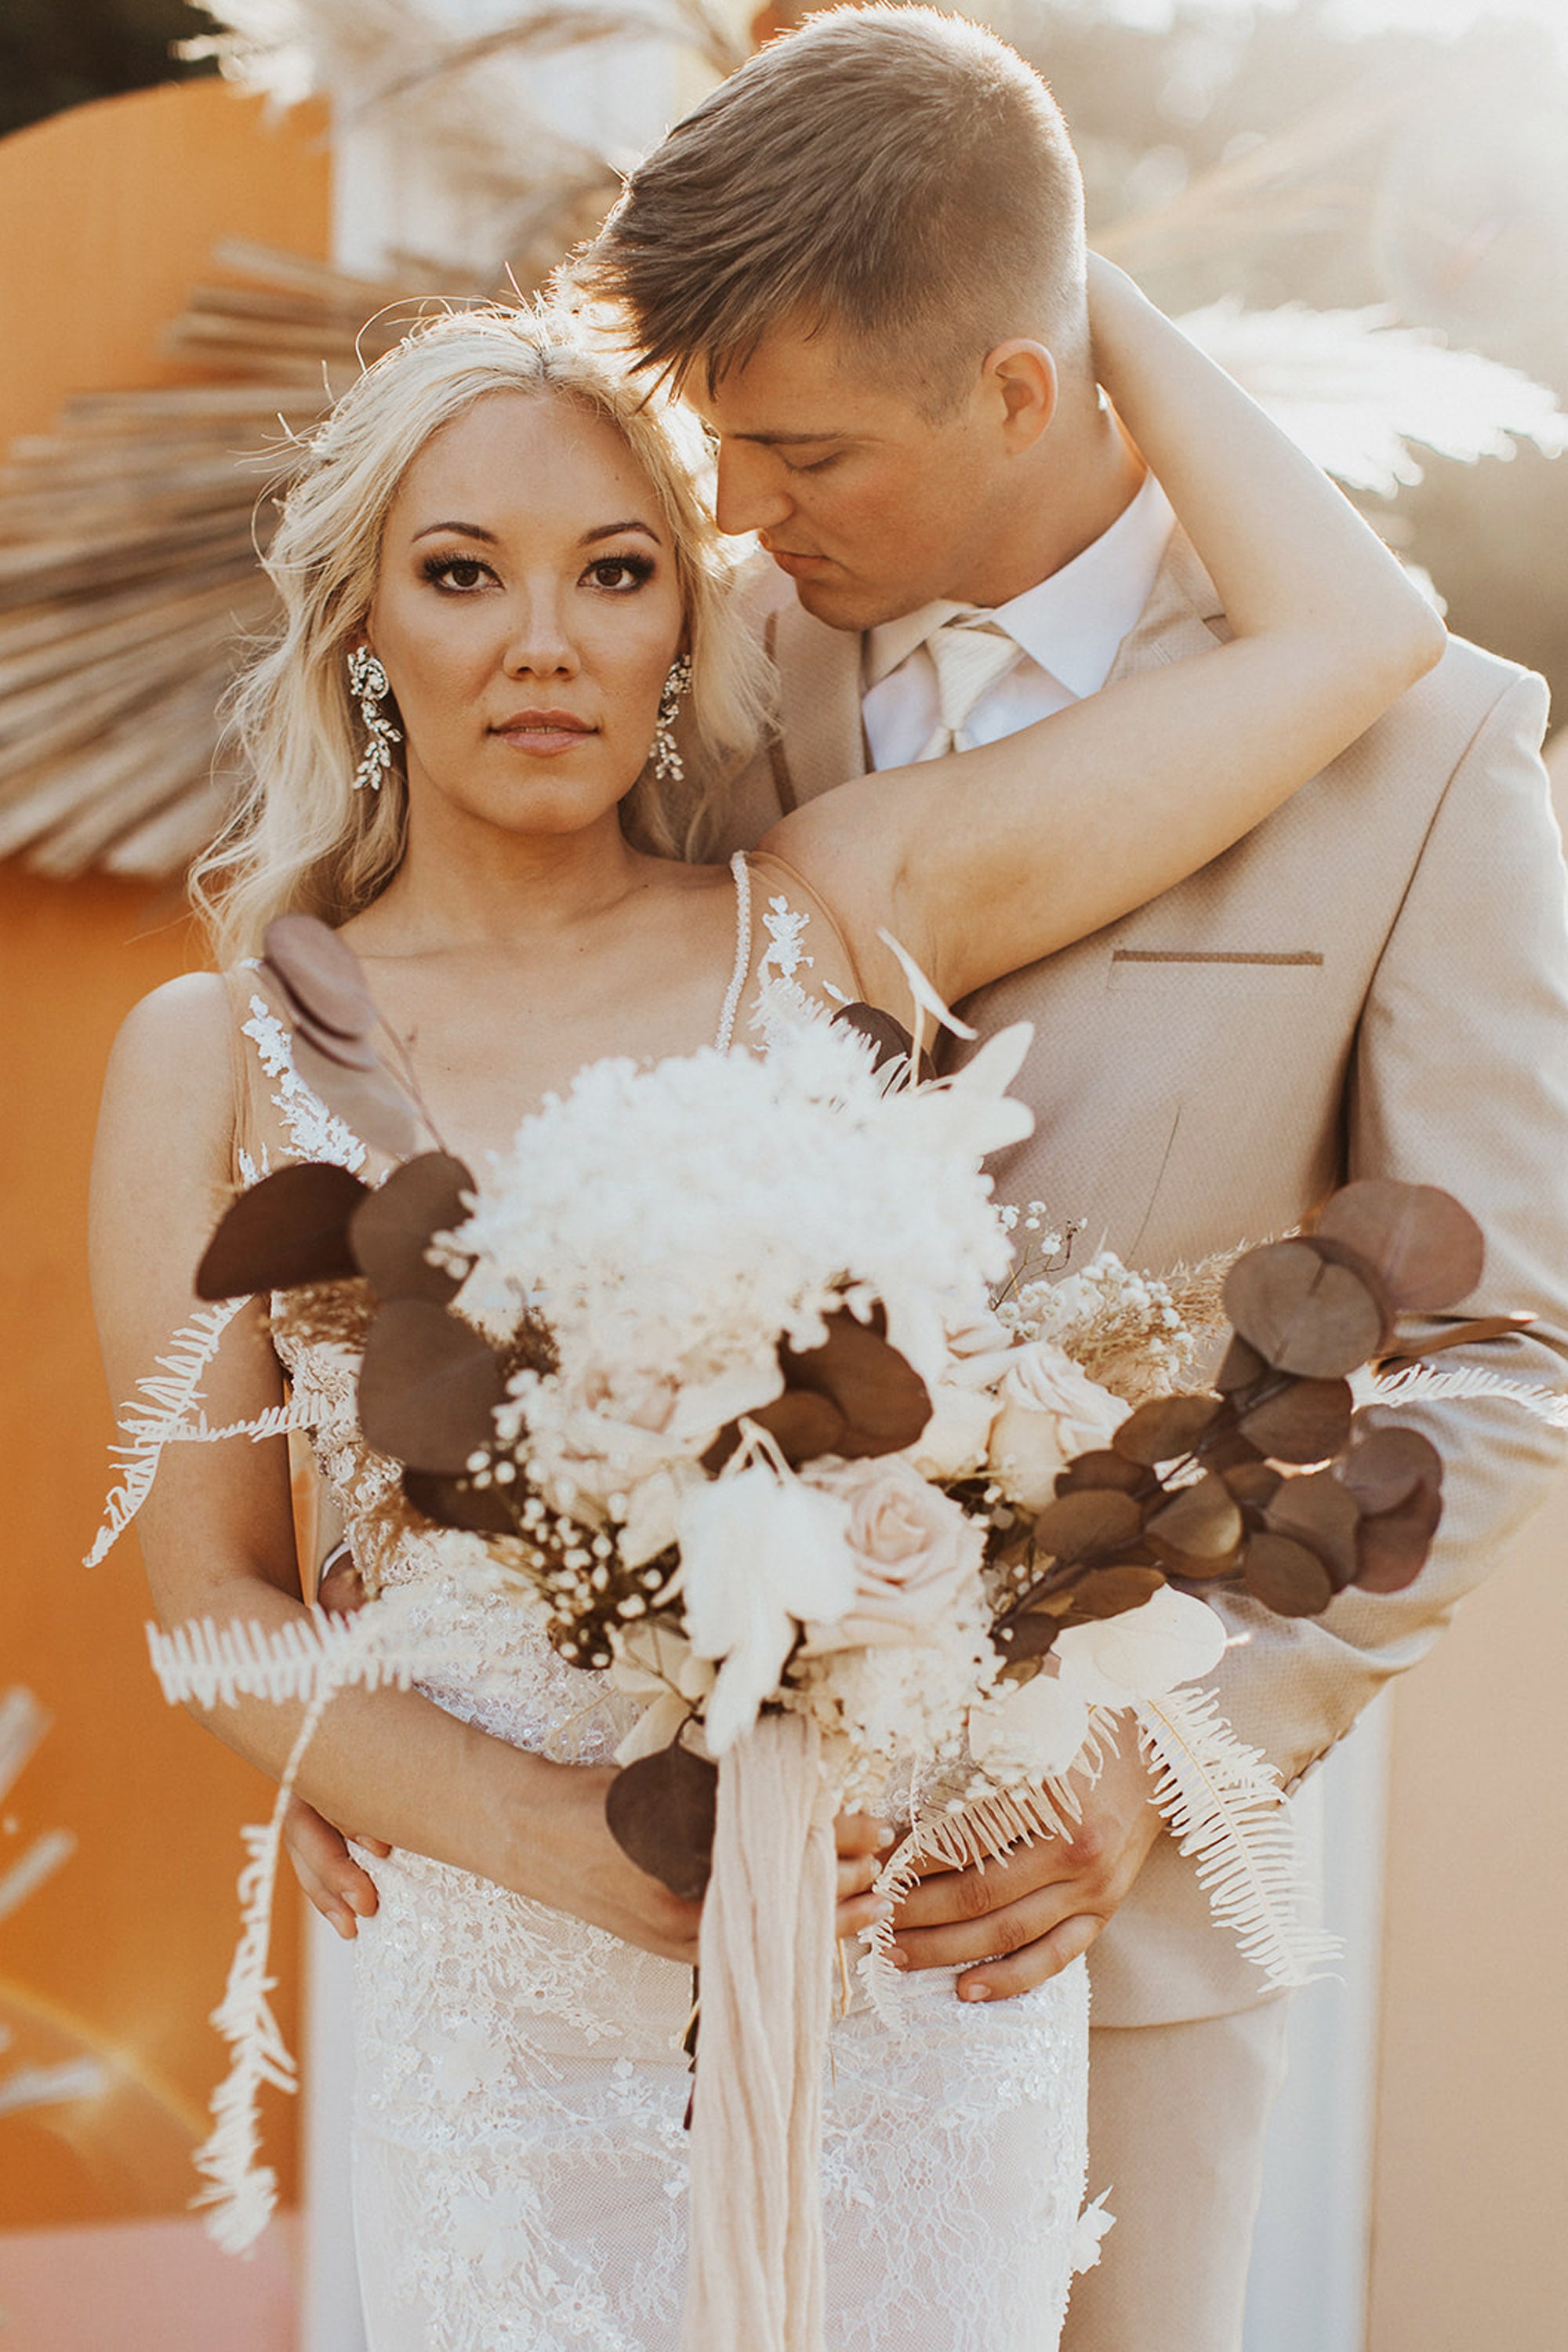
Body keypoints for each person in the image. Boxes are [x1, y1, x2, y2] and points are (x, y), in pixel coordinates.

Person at [89, 251, 1439, 2348]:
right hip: (503, 2006)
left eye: (617, 571)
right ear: (362, 623)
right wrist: (551, 1837)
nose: (544, 643)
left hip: (890, 1967)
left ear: (687, 618)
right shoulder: (218, 1048)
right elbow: (209, 1607)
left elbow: (1359, 635)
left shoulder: (831, 915)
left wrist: (1025, 252)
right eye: (463, 575)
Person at [554, 10, 1568, 2349]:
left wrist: (1172, 1751)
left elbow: (1502, 1359)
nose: (746, 513)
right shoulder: (683, 686)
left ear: (1025, 387)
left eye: (806, 450)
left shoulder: (1423, 755)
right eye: (723, 447)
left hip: (1111, 1936)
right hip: (660, 1891)